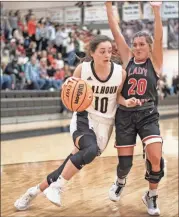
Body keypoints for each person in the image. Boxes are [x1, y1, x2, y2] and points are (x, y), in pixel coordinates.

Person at [14, 35, 139, 210]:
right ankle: (57, 188)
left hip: (105, 124)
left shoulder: (120, 73)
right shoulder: (83, 70)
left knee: (68, 165)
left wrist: (127, 102)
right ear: (92, 53)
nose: (107, 55)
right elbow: (71, 94)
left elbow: (117, 96)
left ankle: (33, 191)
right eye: (102, 51)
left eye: (109, 51)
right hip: (83, 118)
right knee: (90, 149)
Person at [106, 2, 164, 216]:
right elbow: (115, 30)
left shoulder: (155, 62)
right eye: (135, 44)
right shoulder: (128, 59)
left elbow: (158, 37)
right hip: (125, 116)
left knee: (156, 157)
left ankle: (152, 195)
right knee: (125, 164)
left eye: (141, 44)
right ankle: (120, 181)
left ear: (149, 47)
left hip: (148, 114)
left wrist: (156, 10)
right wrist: (107, 5)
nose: (137, 47)